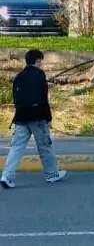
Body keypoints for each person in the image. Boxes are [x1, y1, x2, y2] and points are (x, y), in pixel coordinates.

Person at [1, 49, 67, 189]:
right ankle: (51, 174)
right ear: (38, 60)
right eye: (41, 61)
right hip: (37, 116)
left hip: (21, 116)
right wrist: (48, 117)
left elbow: (16, 98)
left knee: (17, 147)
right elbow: (43, 98)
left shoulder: (19, 76)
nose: (42, 64)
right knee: (45, 146)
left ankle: (7, 176)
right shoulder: (39, 75)